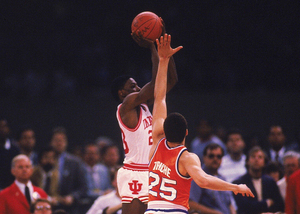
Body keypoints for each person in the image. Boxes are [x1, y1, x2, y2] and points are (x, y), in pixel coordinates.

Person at [146, 33, 253, 214]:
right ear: (187, 133)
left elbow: (159, 97)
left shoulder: (156, 140)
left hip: (151, 210)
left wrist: (163, 60)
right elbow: (203, 181)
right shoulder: (187, 158)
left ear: (164, 129)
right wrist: (235, 187)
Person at [111, 24, 178, 213]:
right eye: (133, 86)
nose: (138, 88)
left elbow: (170, 81)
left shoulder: (144, 106)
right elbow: (156, 82)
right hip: (136, 171)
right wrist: (152, 48)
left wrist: (165, 52)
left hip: (155, 169)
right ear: (122, 92)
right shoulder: (126, 106)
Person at [232, 146, 284, 214]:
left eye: (260, 157)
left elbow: (279, 205)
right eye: (253, 157)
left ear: (264, 162)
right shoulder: (239, 183)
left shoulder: (270, 182)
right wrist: (266, 203)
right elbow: (245, 207)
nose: (256, 159)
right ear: (247, 161)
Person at [189, 143, 237, 214]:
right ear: (204, 158)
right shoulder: (198, 177)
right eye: (211, 156)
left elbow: (229, 204)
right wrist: (214, 213)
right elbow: (190, 204)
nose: (215, 159)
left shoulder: (223, 178)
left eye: (219, 156)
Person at [49, 126, 87, 214]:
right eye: (56, 140)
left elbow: (83, 187)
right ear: (51, 142)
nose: (59, 143)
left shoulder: (75, 162)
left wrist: (72, 197)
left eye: (62, 140)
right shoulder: (44, 160)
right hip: (49, 206)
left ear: (66, 142)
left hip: (70, 207)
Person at [0, 118, 20, 190]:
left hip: (10, 187)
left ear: (8, 129)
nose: (1, 129)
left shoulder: (15, 149)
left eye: (4, 126)